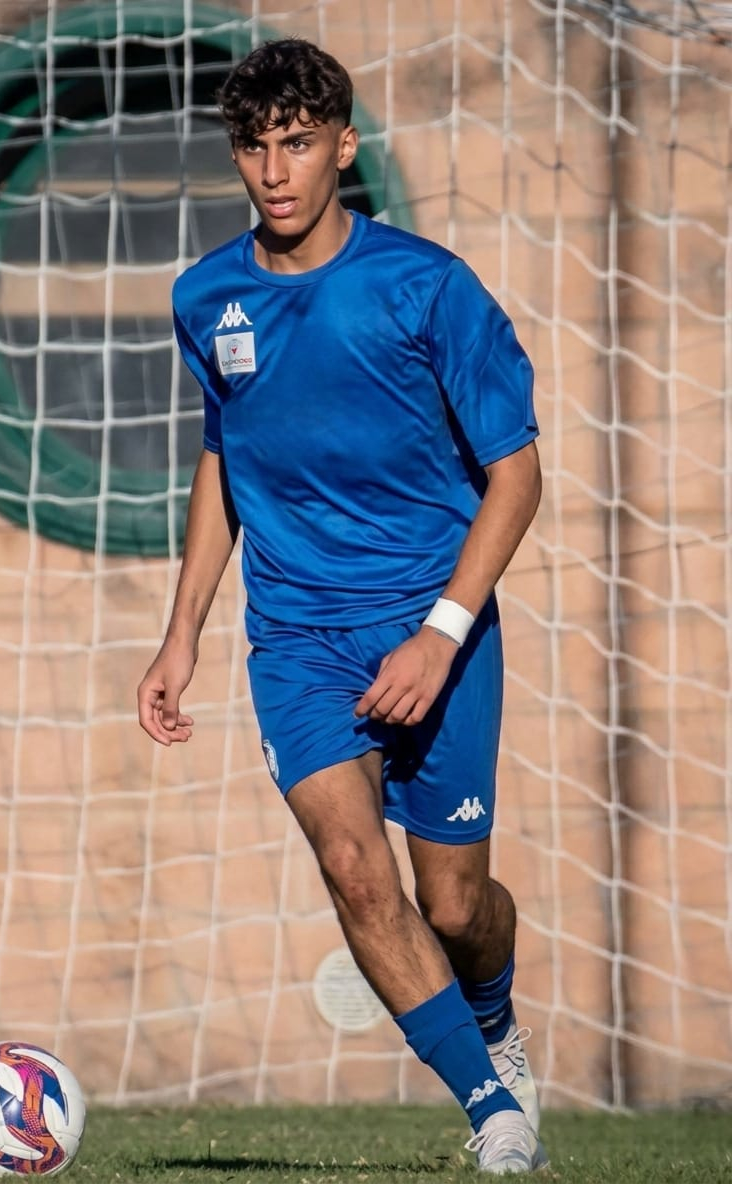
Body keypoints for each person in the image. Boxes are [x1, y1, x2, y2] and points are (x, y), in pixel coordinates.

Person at [137, 37, 546, 1175]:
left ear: (344, 147)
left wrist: (439, 635)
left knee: (453, 906)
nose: (275, 171)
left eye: (298, 142)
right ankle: (493, 1113)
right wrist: (181, 634)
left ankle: (496, 1018)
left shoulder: (426, 286)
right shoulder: (205, 295)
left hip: (434, 632)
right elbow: (223, 456)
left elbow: (516, 475)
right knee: (354, 865)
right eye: (253, 146)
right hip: (298, 640)